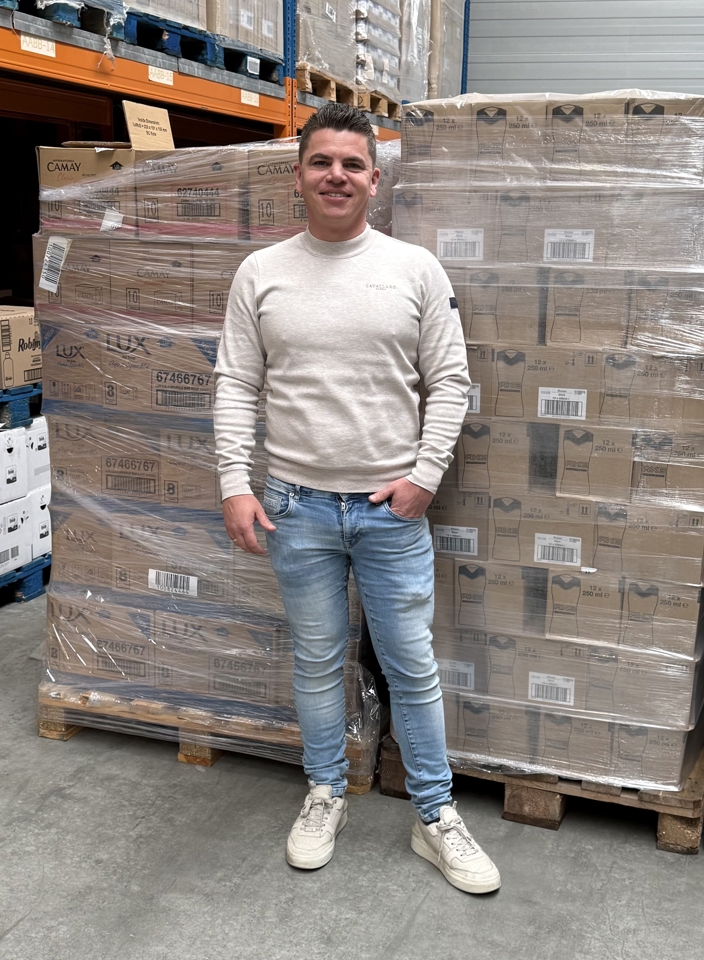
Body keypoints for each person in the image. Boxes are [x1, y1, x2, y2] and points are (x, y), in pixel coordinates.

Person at [213, 103, 500, 895]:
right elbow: (235, 382)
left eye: (350, 164)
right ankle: (324, 793)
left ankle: (435, 815)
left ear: (375, 180)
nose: (335, 175)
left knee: (411, 665)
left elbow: (451, 381)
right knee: (316, 662)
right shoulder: (261, 273)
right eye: (321, 162)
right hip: (294, 507)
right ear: (298, 175)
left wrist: (425, 477)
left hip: (388, 511)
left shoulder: (415, 270)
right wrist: (234, 481)